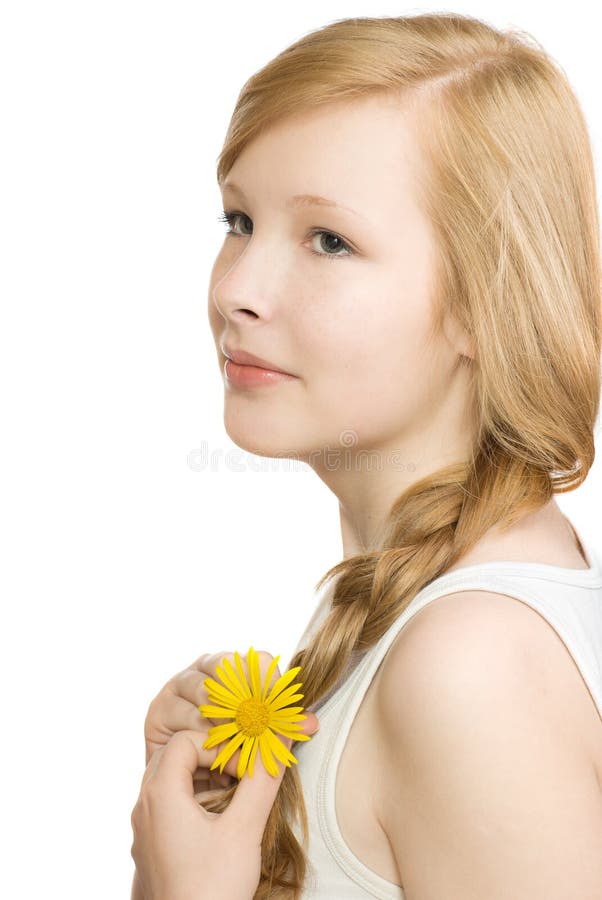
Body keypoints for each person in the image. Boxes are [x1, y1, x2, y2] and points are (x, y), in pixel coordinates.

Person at [130, 12, 602, 899]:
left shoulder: (469, 667)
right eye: (238, 219)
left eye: (329, 240)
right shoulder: (414, 607)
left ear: (483, 302)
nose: (236, 291)